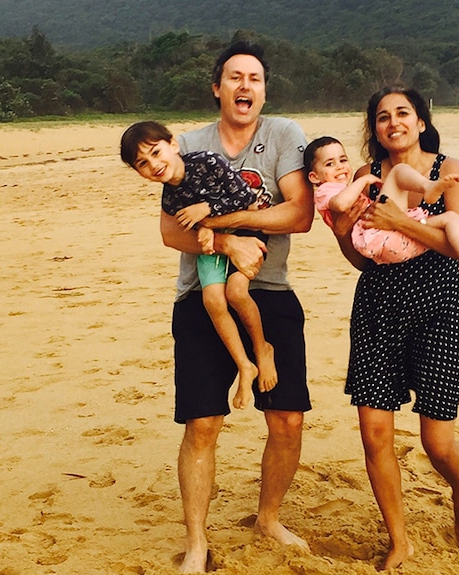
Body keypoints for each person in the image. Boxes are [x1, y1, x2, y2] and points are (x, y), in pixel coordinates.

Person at [158, 40, 313, 573]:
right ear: (217, 88)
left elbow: (298, 215)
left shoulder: (284, 136)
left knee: (287, 419)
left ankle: (268, 516)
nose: (245, 86)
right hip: (199, 295)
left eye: (255, 79)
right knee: (202, 423)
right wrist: (228, 245)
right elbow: (167, 231)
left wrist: (217, 226)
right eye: (235, 77)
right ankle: (198, 542)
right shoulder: (188, 143)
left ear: (264, 90)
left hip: (270, 287)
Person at [327, 87, 459, 570]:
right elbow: (361, 256)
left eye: (402, 114)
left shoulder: (448, 170)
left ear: (420, 122)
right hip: (378, 306)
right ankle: (400, 540)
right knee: (375, 434)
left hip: (441, 307)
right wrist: (340, 236)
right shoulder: (364, 178)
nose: (392, 123)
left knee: (436, 441)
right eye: (381, 117)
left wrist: (400, 220)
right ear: (374, 129)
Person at [120, 120, 278, 410]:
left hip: (245, 232)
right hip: (213, 247)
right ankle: (245, 365)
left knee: (236, 292)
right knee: (212, 300)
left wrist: (207, 212)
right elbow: (179, 233)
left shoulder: (207, 161)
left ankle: (261, 347)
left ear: (173, 144)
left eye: (156, 152)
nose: (153, 164)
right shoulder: (170, 198)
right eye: (142, 163)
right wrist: (206, 230)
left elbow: (244, 196)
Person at [304, 136, 459, 273]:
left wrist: (400, 221)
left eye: (343, 160)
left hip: (389, 239)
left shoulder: (448, 165)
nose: (339, 166)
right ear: (314, 177)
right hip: (375, 236)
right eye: (330, 164)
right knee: (398, 173)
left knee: (450, 219)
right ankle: (428, 187)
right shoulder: (326, 190)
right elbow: (339, 204)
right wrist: (363, 181)